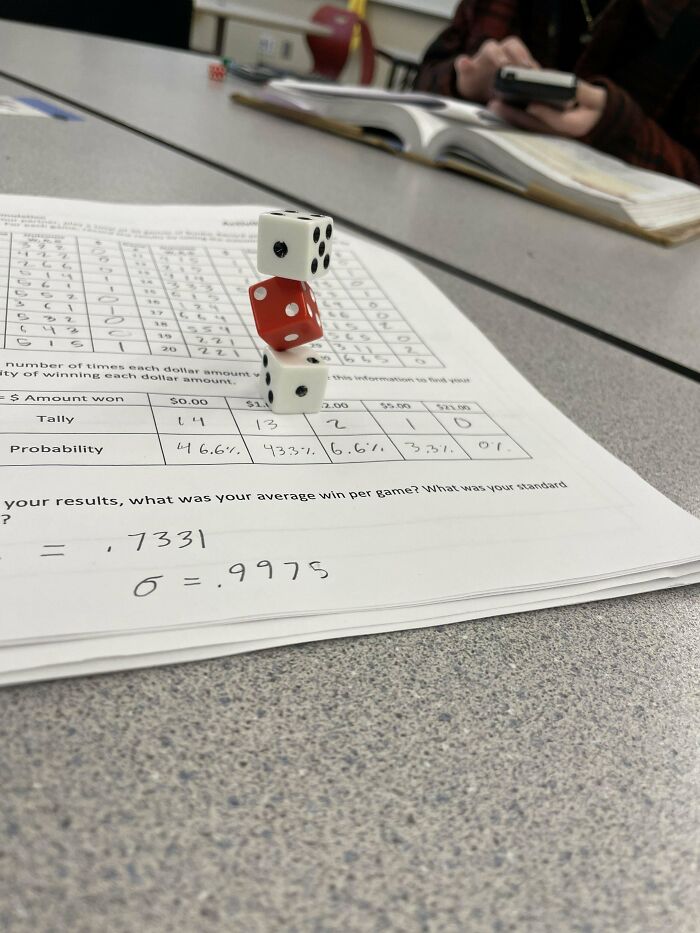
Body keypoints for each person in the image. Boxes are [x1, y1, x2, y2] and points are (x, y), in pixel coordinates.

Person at [414, 0, 700, 182]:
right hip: (468, 195)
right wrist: (464, 83)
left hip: (620, 255)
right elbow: (421, 82)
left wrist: (616, 128)